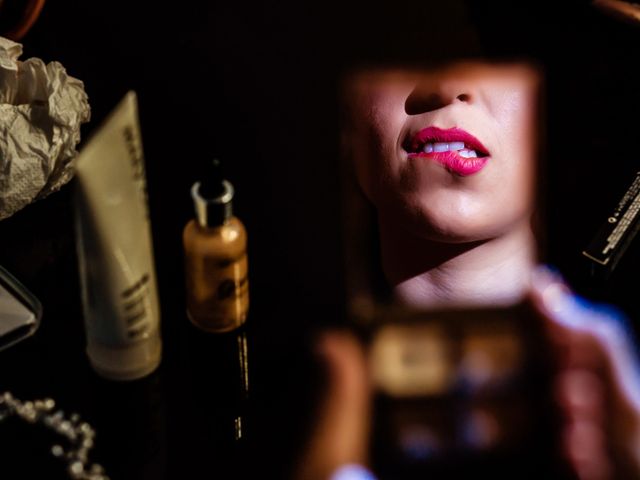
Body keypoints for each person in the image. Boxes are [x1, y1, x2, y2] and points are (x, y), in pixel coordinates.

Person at [295, 60, 640, 480]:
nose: (446, 86)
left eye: (491, 61)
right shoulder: (298, 395)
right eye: (400, 60)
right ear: (347, 129)